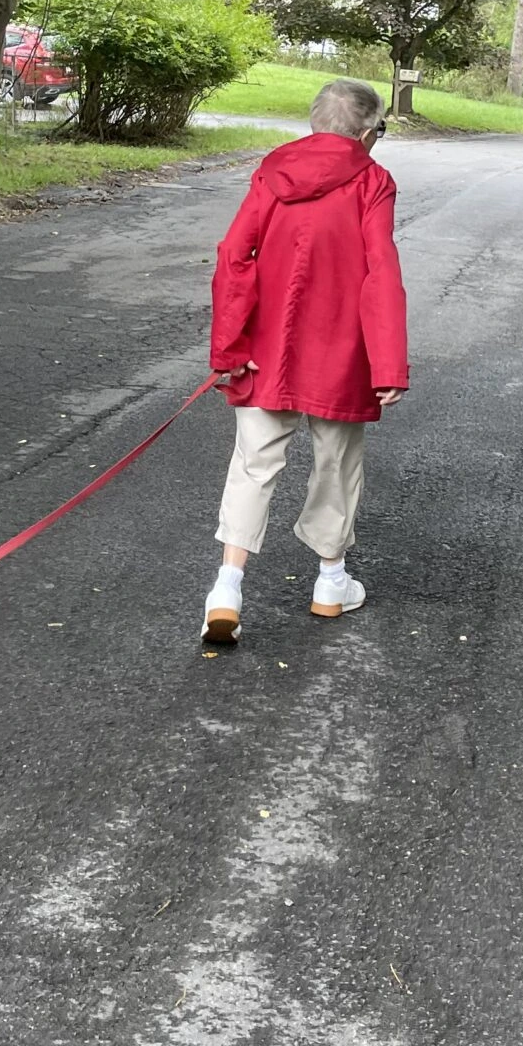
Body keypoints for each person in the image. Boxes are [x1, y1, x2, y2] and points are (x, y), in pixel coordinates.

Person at [201, 77, 409, 643]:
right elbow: (380, 272)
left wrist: (229, 348)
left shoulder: (273, 172)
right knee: (337, 463)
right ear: (367, 133)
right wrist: (388, 362)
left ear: (313, 122)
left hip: (265, 348)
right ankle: (329, 582)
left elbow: (233, 256)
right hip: (340, 349)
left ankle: (227, 588)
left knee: (253, 463)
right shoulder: (372, 181)